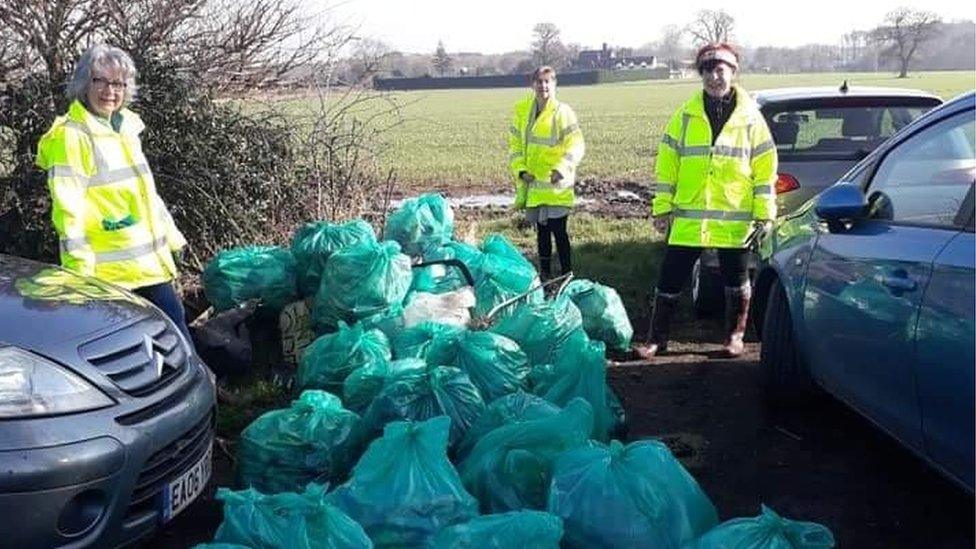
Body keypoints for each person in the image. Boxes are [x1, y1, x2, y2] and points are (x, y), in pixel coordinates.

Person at [35, 44, 192, 340]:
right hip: (109, 274)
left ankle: (196, 386)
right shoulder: (72, 136)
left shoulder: (125, 128)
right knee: (132, 348)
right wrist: (80, 274)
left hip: (148, 265)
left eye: (118, 83)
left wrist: (172, 239)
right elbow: (68, 209)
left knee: (175, 334)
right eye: (101, 81)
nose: (110, 90)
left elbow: (146, 194)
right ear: (84, 83)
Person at [634, 43, 777, 359]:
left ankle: (734, 338)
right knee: (670, 278)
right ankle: (657, 339)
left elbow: (765, 170)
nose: (715, 77)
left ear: (733, 72)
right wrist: (661, 208)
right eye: (708, 71)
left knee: (736, 280)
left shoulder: (752, 119)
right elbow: (666, 165)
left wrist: (764, 214)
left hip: (733, 216)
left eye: (720, 70)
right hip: (689, 216)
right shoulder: (684, 116)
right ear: (701, 75)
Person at [508, 66, 585, 279]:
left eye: (547, 82)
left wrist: (562, 168)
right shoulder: (522, 111)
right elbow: (514, 146)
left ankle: (566, 275)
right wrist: (521, 171)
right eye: (539, 81)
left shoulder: (563, 112)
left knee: (559, 231)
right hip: (534, 185)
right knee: (541, 233)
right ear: (533, 85)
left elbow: (576, 144)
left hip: (557, 185)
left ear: (554, 85)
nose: (543, 86)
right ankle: (545, 275)